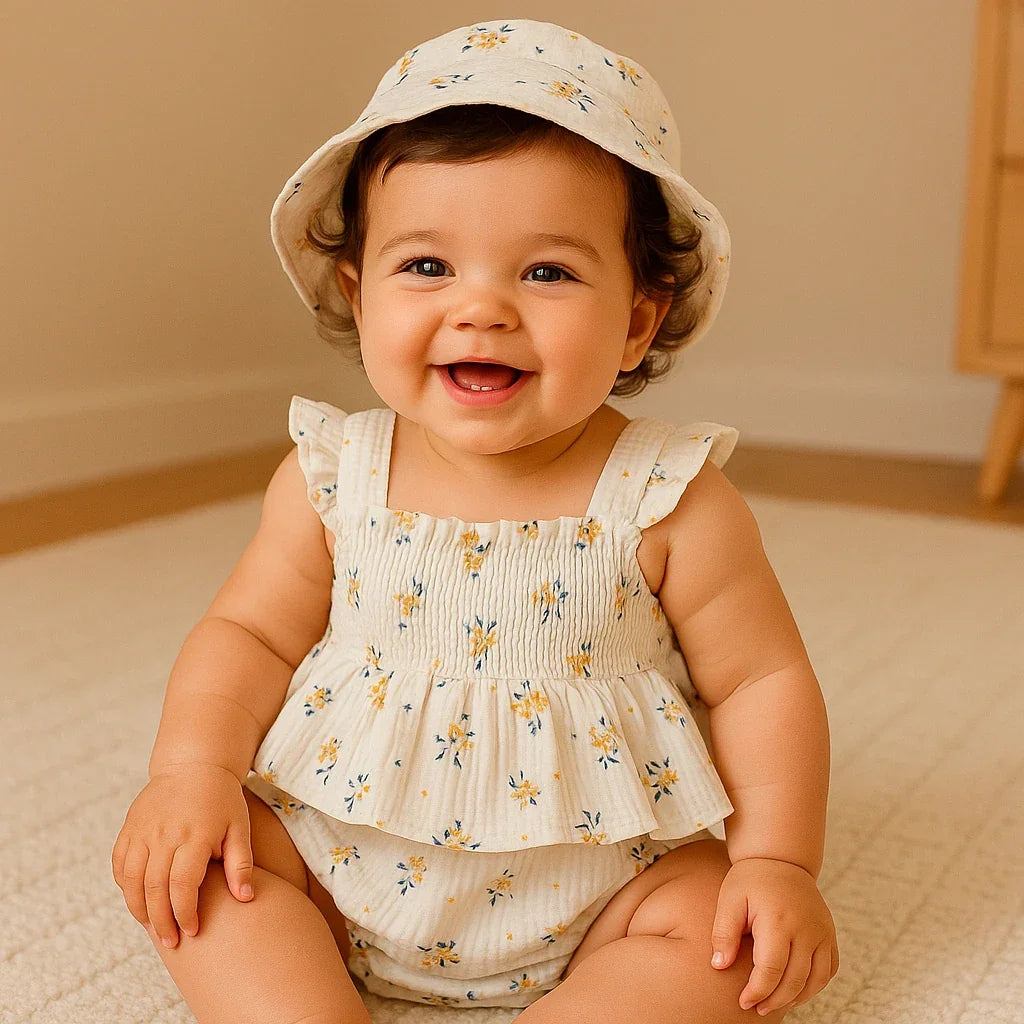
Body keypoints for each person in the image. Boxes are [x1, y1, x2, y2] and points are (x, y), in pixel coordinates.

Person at [111, 17, 838, 1024]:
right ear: (359, 295)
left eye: (546, 272)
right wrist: (188, 772)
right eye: (426, 267)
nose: (481, 307)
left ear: (636, 317)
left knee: (718, 937)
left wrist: (776, 860)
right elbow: (248, 632)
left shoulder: (667, 497)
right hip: (332, 855)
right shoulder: (334, 474)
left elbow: (762, 679)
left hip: (607, 886)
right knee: (202, 875)